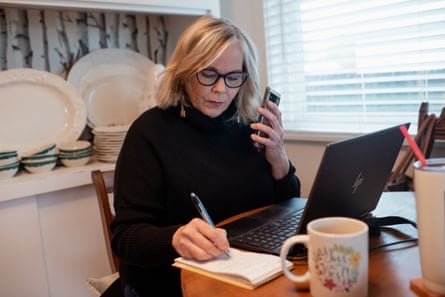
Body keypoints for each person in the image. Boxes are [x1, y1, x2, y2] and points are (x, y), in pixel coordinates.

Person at [110, 15, 301, 297]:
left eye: (233, 77)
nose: (221, 89)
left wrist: (279, 161)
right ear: (185, 71)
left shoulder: (250, 125)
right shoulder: (149, 132)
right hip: (175, 282)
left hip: (251, 275)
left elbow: (288, 206)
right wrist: (174, 238)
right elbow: (125, 237)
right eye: (208, 74)